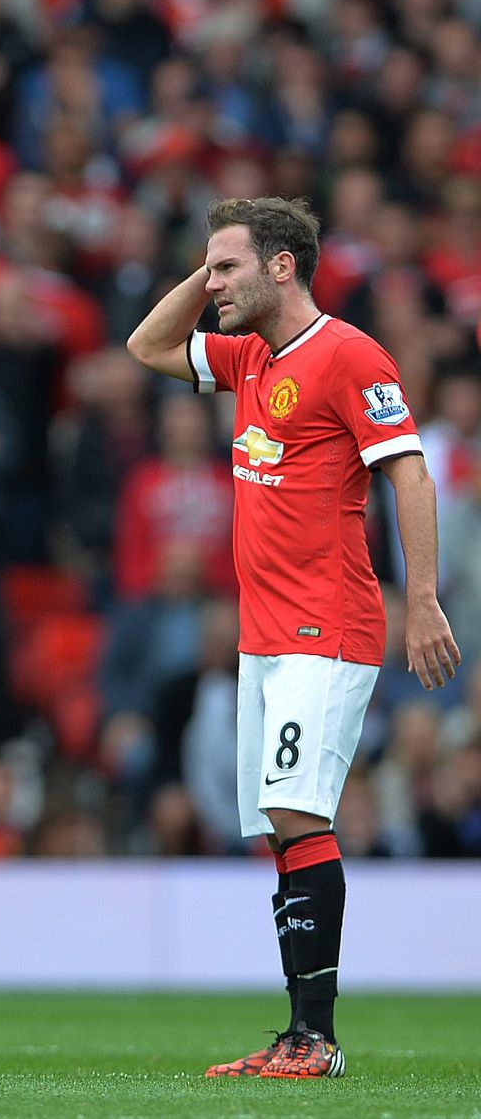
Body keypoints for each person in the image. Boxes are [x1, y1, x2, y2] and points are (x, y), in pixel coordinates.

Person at [126, 196, 460, 1079]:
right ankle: (300, 1034)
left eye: (229, 266)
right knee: (282, 829)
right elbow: (147, 347)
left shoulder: (349, 355)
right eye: (210, 268)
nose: (215, 284)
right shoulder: (248, 358)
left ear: (283, 266)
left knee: (297, 813)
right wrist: (207, 272)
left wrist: (421, 599)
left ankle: (317, 1040)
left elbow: (411, 471)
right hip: (263, 636)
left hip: (330, 625)